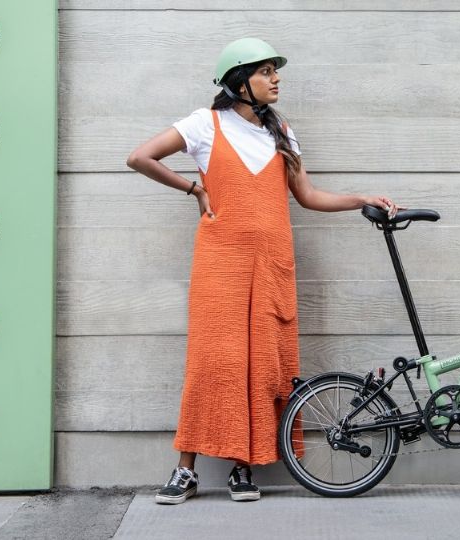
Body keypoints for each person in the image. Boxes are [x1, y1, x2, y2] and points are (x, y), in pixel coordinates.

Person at [126, 37, 400, 504]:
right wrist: (194, 190)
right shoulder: (205, 125)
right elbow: (140, 157)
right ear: (239, 81)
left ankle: (242, 468)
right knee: (214, 363)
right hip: (221, 263)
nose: (276, 78)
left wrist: (361, 199)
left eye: (276, 70)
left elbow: (308, 196)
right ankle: (185, 469)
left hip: (272, 263)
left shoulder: (282, 132)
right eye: (266, 71)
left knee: (263, 364)